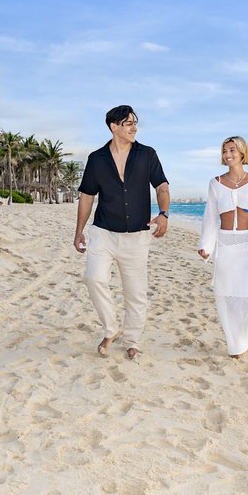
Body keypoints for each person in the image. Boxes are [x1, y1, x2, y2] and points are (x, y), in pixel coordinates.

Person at [74, 105, 170, 360]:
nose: (134, 127)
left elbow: (161, 185)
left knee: (135, 292)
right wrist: (79, 231)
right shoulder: (96, 158)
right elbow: (86, 196)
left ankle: (132, 340)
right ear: (113, 126)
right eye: (128, 123)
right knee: (94, 278)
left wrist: (163, 213)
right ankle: (111, 328)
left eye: (135, 123)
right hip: (103, 232)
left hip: (136, 236)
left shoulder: (147, 154)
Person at [197, 135, 248, 358]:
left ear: (242, 153)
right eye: (225, 151)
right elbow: (210, 216)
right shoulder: (215, 183)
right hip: (226, 246)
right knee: (226, 296)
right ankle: (236, 345)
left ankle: (246, 332)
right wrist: (206, 245)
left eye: (232, 150)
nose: (227, 155)